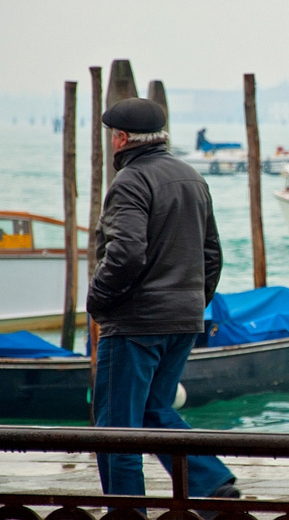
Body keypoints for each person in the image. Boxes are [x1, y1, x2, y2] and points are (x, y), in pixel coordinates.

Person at [87, 98, 239, 518]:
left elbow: (126, 255)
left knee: (118, 427)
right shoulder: (191, 177)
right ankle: (211, 485)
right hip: (184, 320)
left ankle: (126, 512)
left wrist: (97, 302)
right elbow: (212, 256)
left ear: (120, 138)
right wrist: (193, 304)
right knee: (154, 408)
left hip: (135, 322)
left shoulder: (131, 181)